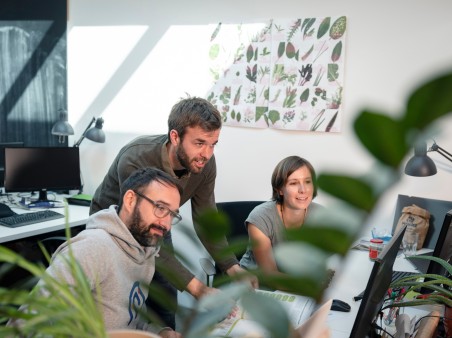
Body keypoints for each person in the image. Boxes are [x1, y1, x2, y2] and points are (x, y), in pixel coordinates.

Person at [90, 96, 258, 328]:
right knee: (120, 296)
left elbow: (206, 219)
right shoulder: (136, 159)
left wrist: (233, 267)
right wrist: (198, 289)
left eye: (213, 144)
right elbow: (142, 231)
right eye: (199, 143)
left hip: (156, 220)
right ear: (175, 137)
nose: (207, 154)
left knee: (166, 295)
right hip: (115, 225)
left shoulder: (205, 163)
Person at [15, 168, 183, 337]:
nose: (166, 224)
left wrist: (159, 333)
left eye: (172, 214)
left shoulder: (146, 251)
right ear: (131, 200)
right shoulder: (92, 249)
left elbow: (127, 322)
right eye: (161, 208)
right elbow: (29, 322)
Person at [240, 155, 325, 273]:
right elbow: (271, 276)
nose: (303, 190)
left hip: (299, 284)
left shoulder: (322, 215)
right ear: (279, 189)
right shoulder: (260, 217)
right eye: (294, 183)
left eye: (307, 182)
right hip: (256, 284)